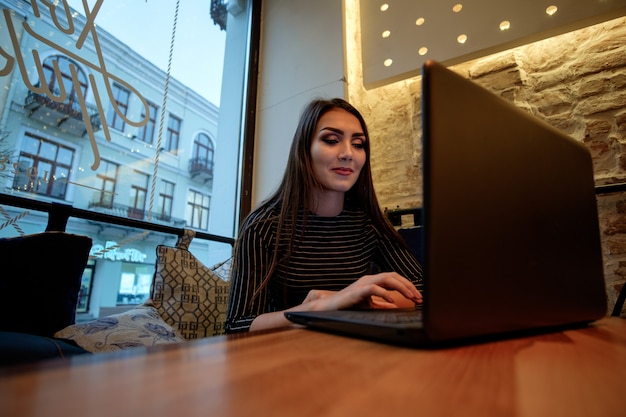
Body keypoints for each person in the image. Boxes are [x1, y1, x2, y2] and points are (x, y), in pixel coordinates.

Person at [225, 98, 423, 333]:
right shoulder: (263, 226)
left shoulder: (369, 224)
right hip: (288, 356)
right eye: (331, 140)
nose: (348, 153)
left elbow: (423, 292)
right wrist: (323, 306)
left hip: (357, 350)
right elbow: (238, 325)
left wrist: (360, 301)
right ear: (304, 150)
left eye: (358, 144)